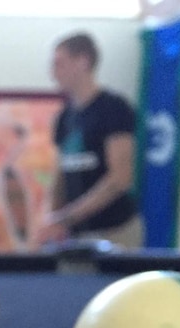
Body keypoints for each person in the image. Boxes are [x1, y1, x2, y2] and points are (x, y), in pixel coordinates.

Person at [36, 33, 143, 249]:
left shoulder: (114, 108)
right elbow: (59, 175)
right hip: (76, 236)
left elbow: (120, 177)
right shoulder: (64, 118)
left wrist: (67, 217)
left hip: (115, 231)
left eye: (59, 63)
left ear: (83, 62)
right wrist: (50, 218)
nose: (53, 72)